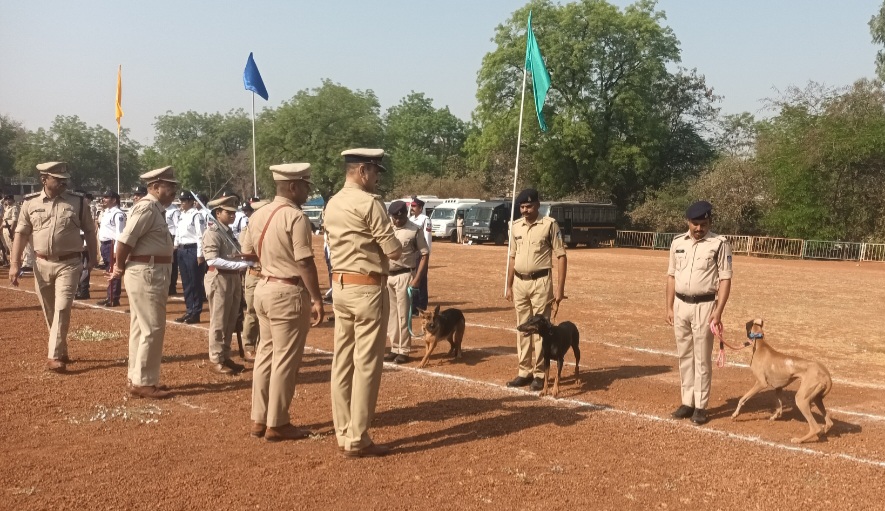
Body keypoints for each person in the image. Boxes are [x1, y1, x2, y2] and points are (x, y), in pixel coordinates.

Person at [325, 148, 402, 458]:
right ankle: (358, 437)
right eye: (374, 172)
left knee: (342, 362)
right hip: (367, 288)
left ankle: (343, 432)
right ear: (362, 171)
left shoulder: (332, 202)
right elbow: (393, 250)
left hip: (341, 285)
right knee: (367, 364)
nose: (376, 178)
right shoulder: (369, 203)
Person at [239, 164, 324, 441]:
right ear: (293, 187)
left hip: (263, 286)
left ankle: (259, 418)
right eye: (305, 186)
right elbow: (305, 262)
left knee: (266, 355)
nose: (307, 191)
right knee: (285, 359)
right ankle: (277, 422)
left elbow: (247, 252)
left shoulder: (258, 214)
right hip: (287, 291)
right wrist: (316, 298)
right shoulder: (295, 217)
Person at [9, 162, 97, 372]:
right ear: (44, 180)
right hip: (41, 264)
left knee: (62, 307)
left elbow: (90, 231)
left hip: (69, 263)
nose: (64, 183)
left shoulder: (78, 202)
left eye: (65, 179)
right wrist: (14, 263)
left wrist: (93, 257)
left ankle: (54, 355)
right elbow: (21, 234)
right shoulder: (30, 203)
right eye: (58, 179)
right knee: (50, 310)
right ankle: (61, 349)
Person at [109, 166, 178, 399]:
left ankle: (137, 377)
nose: (174, 191)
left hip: (151, 270)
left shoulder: (155, 209)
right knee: (152, 327)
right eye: (169, 187)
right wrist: (119, 266)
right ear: (155, 187)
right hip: (147, 271)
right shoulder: (147, 208)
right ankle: (145, 381)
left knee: (141, 327)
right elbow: (124, 241)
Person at [666, 200, 733, 425]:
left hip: (705, 307)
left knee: (702, 358)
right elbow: (671, 276)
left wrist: (718, 311)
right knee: (685, 355)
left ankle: (701, 406)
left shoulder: (719, 244)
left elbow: (725, 279)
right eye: (695, 224)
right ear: (688, 222)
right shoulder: (677, 242)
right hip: (680, 305)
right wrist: (669, 307)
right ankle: (687, 402)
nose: (699, 228)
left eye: (703, 224)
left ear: (709, 222)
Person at [504, 188, 567, 391]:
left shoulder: (549, 224)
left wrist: (560, 289)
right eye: (522, 207)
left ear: (538, 205)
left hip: (541, 282)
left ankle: (540, 374)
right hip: (519, 282)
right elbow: (512, 257)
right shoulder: (515, 226)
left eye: (529, 206)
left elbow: (561, 256)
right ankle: (524, 371)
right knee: (522, 327)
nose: (525, 210)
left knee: (541, 329)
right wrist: (509, 285)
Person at [202, 195, 250, 375]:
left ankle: (225, 355)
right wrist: (240, 265)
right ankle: (216, 358)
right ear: (217, 213)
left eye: (233, 212)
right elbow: (212, 260)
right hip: (219, 278)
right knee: (219, 320)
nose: (232, 215)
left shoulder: (228, 232)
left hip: (232, 278)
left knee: (231, 319)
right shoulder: (213, 232)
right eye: (228, 212)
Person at [384, 200, 429, 364]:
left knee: (403, 314)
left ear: (405, 214)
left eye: (400, 217)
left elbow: (424, 254)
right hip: (387, 276)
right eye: (394, 217)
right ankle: (394, 347)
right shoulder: (387, 229)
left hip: (404, 275)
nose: (397, 220)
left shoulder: (414, 230)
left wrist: (417, 279)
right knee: (391, 315)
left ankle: (404, 350)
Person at [239, 200, 266, 361]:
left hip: (270, 276)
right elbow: (245, 253)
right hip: (255, 274)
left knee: (267, 315)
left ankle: (263, 346)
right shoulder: (249, 229)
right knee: (252, 312)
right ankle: (249, 346)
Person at [174, 191, 205, 323]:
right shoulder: (182, 215)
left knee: (195, 282)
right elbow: (178, 232)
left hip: (193, 249)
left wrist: (200, 254)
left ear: (191, 201)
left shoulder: (196, 215)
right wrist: (175, 246)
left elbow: (200, 236)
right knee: (186, 282)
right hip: (182, 249)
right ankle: (189, 310)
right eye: (181, 200)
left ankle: (196, 312)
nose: (182, 203)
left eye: (184, 200)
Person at [97, 190, 126, 307]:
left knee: (113, 270)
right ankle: (110, 296)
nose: (103, 199)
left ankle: (113, 298)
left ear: (114, 200)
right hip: (105, 244)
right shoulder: (106, 212)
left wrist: (116, 250)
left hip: (112, 244)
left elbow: (120, 233)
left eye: (106, 197)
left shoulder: (118, 214)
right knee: (109, 270)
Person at [408, 196, 432, 313]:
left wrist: (425, 253)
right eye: (411, 206)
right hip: (412, 252)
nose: (412, 208)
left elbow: (427, 238)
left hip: (421, 252)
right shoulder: (410, 219)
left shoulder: (425, 219)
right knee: (413, 277)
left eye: (414, 206)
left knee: (421, 279)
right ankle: (414, 305)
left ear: (420, 208)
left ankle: (421, 306)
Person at [165, 200, 181, 295]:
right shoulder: (161, 209)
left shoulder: (174, 211)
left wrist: (175, 242)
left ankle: (172, 287)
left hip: (172, 237)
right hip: (164, 237)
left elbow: (178, 227)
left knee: (172, 263)